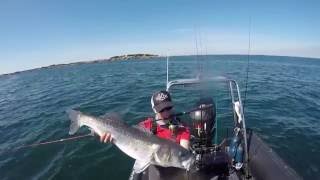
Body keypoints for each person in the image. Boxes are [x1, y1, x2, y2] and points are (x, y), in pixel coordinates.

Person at [100, 90, 190, 149]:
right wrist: (100, 134)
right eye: (161, 110)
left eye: (168, 108)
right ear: (154, 110)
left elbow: (183, 152)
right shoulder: (146, 126)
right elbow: (126, 133)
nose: (166, 112)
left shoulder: (183, 128)